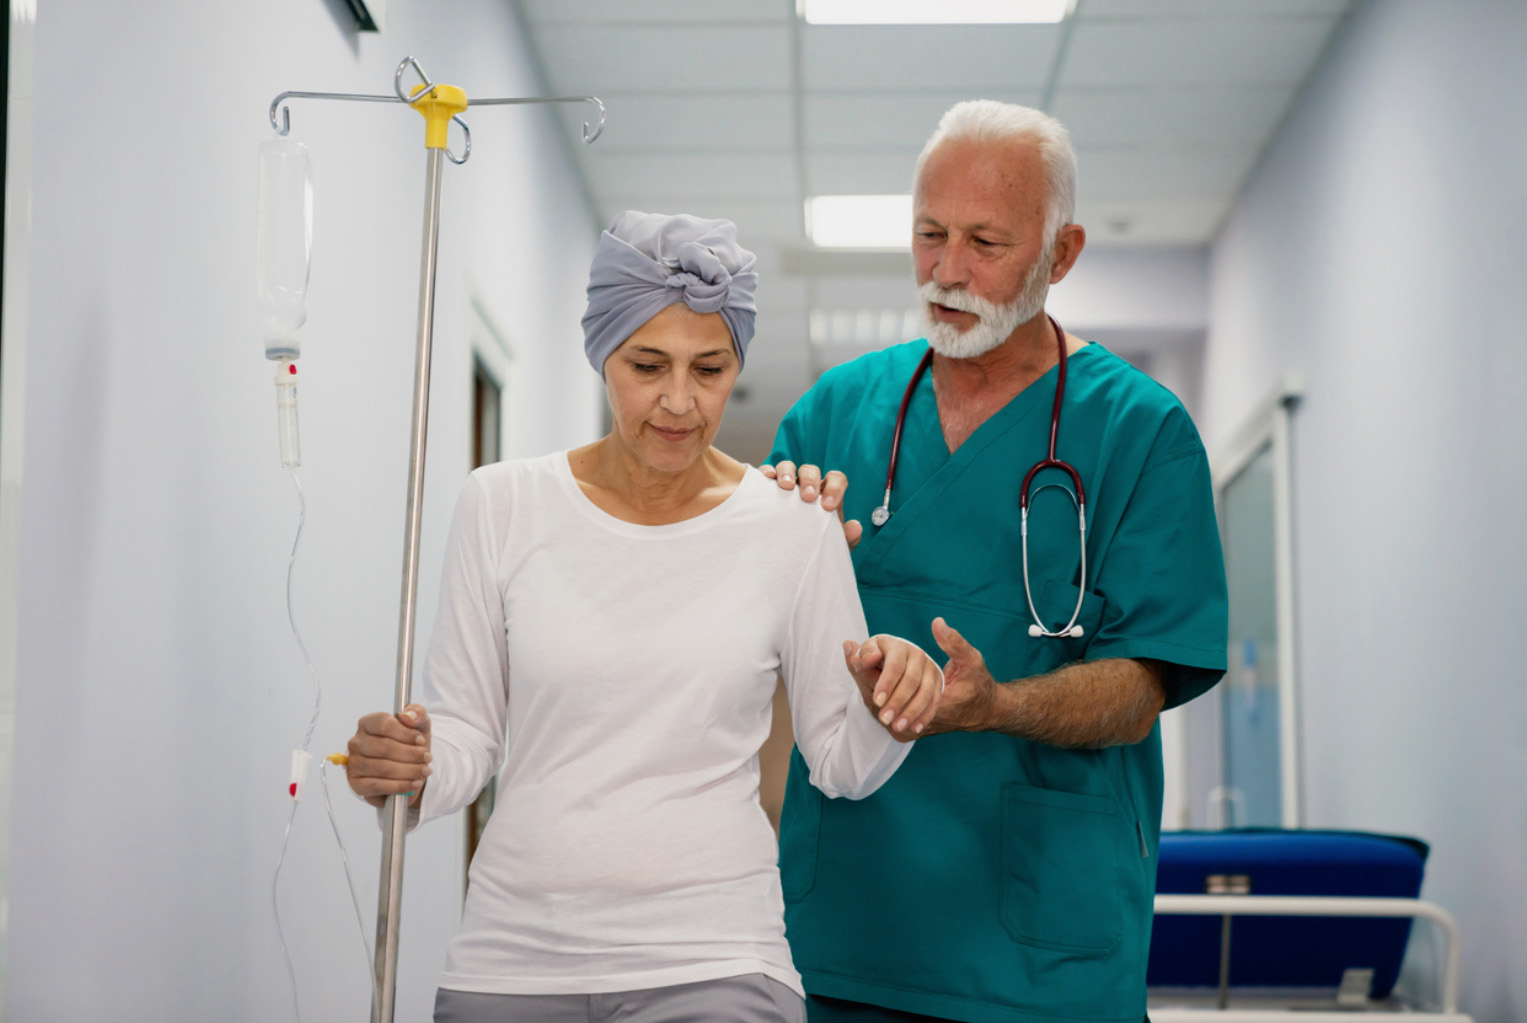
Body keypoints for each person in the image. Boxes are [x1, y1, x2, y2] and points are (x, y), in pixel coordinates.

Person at [342, 211, 944, 1023]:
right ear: (601, 355)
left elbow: (840, 761)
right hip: (516, 952)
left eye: (709, 367)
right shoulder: (502, 504)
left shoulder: (792, 525)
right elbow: (466, 738)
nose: (678, 400)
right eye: (646, 363)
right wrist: (411, 766)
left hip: (715, 953)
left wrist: (892, 705)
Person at [764, 101, 1229, 1022]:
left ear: (1061, 254)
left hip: (1043, 943)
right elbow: (750, 646)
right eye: (929, 234)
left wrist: (996, 706)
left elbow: (1142, 683)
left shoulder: (1140, 432)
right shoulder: (831, 417)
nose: (946, 270)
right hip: (852, 922)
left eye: (984, 241)